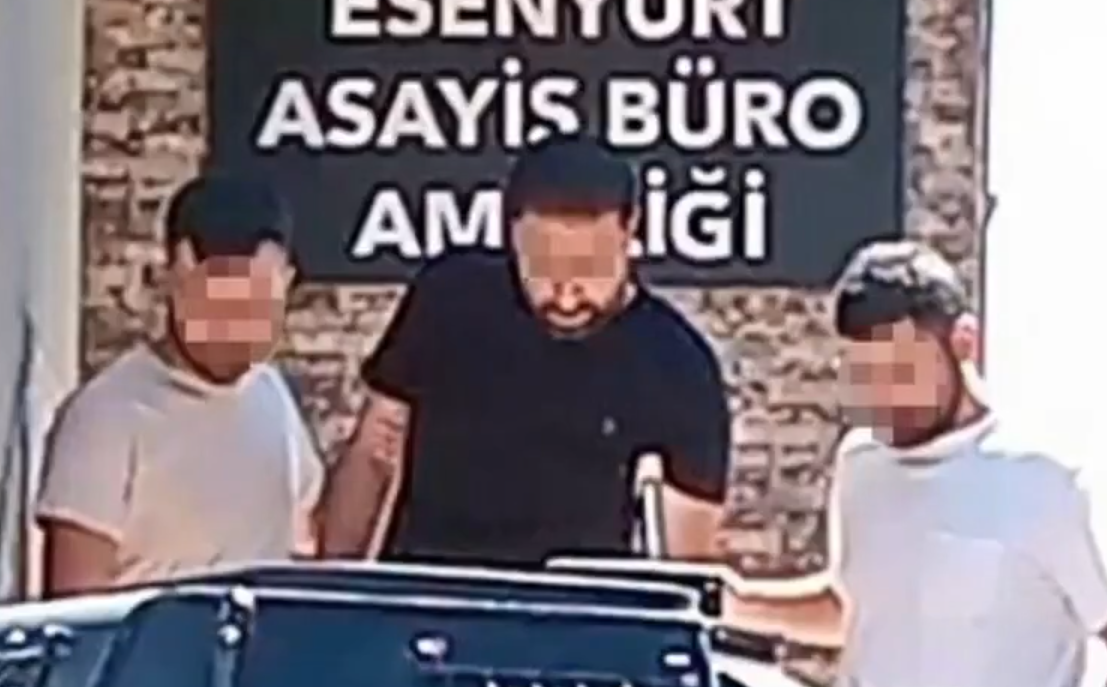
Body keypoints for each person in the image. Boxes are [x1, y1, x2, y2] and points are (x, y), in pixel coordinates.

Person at [824, 239, 1107, 687]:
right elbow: (851, 610)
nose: (884, 396)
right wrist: (722, 598)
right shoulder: (861, 466)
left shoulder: (1048, 478)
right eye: (865, 374)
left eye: (902, 371)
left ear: (964, 342)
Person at [322, 133, 731, 565]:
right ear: (513, 236)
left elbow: (687, 556)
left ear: (629, 232)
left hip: (577, 600)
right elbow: (376, 452)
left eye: (589, 271)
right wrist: (335, 581)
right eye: (544, 271)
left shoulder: (677, 365)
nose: (567, 298)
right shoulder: (450, 300)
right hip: (435, 590)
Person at [35, 173, 323, 595]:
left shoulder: (273, 399)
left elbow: (308, 551)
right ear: (174, 279)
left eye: (256, 303)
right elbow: (75, 602)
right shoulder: (106, 416)